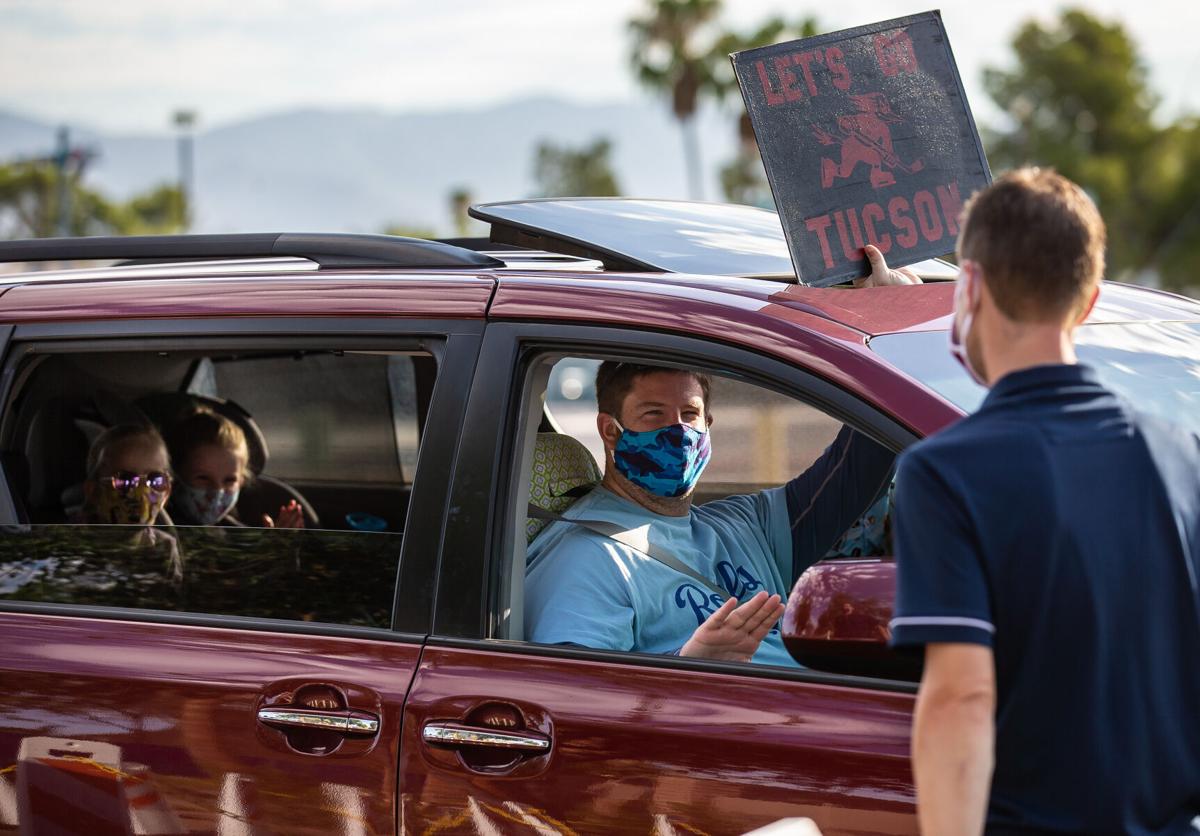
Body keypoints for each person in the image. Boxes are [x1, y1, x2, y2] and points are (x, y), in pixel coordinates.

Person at [887, 168, 1200, 833]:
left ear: (968, 286)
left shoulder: (944, 474)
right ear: (1086, 304)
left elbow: (962, 697)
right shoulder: (1184, 455)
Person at [524, 250, 914, 665]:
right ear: (610, 430)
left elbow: (858, 463)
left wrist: (894, 324)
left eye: (689, 415)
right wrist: (690, 661)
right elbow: (577, 699)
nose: (678, 431)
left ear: (708, 424)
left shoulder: (744, 526)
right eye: (653, 414)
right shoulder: (587, 559)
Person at [163, 409, 304, 528]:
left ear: (241, 481)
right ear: (175, 476)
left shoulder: (232, 528)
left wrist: (279, 548)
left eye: (229, 480)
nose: (217, 491)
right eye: (203, 478)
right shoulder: (163, 531)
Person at [78, 423, 178, 558]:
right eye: (125, 480)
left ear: (166, 493)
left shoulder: (163, 547)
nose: (141, 492)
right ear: (93, 491)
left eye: (155, 481)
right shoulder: (71, 544)